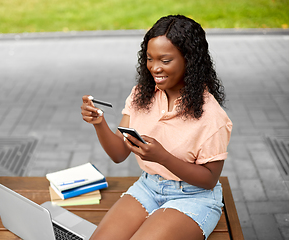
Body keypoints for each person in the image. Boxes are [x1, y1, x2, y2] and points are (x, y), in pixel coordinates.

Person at [81, 15, 232, 240]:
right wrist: (99, 123)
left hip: (193, 197)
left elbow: (209, 179)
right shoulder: (141, 95)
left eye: (165, 60)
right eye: (150, 58)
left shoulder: (211, 115)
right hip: (148, 187)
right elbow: (119, 154)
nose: (154, 68)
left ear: (189, 60)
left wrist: (163, 157)